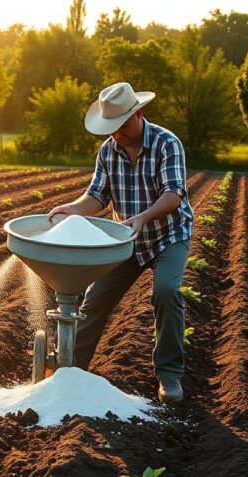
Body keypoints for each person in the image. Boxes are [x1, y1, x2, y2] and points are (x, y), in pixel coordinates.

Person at [47, 81, 193, 405]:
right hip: (125, 239)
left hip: (168, 235)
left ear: (139, 113)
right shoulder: (108, 150)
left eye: (122, 126)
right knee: (94, 300)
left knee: (167, 291)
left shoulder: (167, 144)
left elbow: (173, 195)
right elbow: (97, 196)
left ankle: (169, 375)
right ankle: (68, 372)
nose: (117, 134)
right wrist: (71, 208)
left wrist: (143, 217)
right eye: (111, 128)